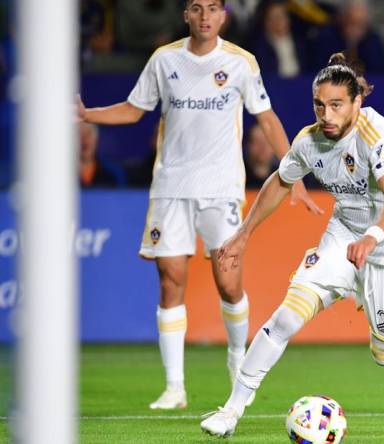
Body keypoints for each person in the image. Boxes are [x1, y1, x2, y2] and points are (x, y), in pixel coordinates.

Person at [76, 0, 321, 410]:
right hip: (170, 188)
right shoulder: (164, 60)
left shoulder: (241, 63)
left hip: (221, 189)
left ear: (223, 16)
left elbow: (268, 118)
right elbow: (134, 110)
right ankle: (175, 387)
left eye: (213, 8)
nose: (205, 16)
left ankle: (237, 360)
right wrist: (88, 114)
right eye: (196, 8)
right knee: (171, 280)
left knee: (229, 282)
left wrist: (291, 173)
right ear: (186, 15)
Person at [200, 53, 384, 437]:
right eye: (320, 105)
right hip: (343, 236)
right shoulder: (310, 141)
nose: (327, 114)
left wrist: (372, 238)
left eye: (337, 105)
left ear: (357, 102)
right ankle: (231, 410)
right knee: (287, 316)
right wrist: (243, 234)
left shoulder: (379, 137)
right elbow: (280, 179)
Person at [78, 122, 122, 188]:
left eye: (89, 134)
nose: (85, 140)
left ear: (96, 138)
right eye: (80, 135)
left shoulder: (113, 172)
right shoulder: (61, 173)